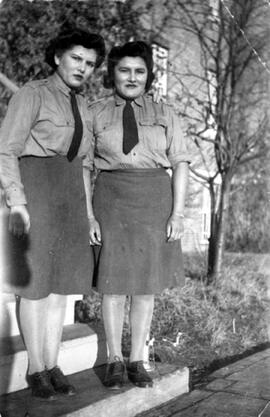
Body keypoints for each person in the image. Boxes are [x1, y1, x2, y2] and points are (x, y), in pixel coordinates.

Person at [0, 28, 105, 400]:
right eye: (77, 58)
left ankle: (52, 363)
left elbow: (84, 163)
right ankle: (35, 368)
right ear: (58, 56)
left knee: (60, 285)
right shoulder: (32, 93)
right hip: (36, 186)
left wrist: (88, 213)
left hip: (70, 192)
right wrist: (17, 202)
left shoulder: (82, 105)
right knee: (36, 287)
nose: (83, 68)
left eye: (90, 63)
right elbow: (7, 149)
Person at [83, 41, 190, 389]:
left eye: (139, 71)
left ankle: (137, 360)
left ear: (148, 75)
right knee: (112, 286)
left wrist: (178, 213)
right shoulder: (95, 112)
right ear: (112, 73)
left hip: (154, 200)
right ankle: (114, 359)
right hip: (111, 199)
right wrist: (89, 216)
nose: (132, 77)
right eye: (124, 70)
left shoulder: (165, 112)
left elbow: (181, 164)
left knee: (145, 287)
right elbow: (85, 167)